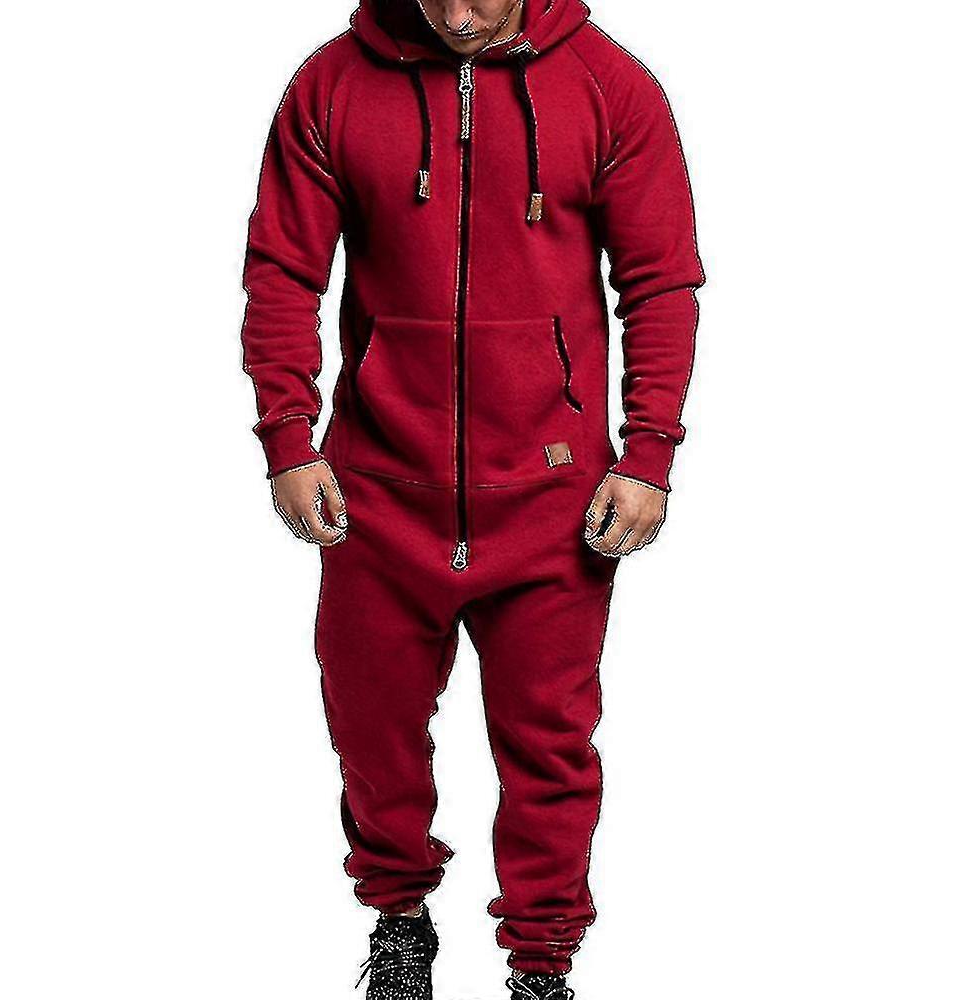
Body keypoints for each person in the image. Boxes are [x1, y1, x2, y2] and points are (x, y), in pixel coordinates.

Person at [240, 1, 704, 997]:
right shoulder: (330, 86)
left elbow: (661, 281)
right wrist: (287, 437)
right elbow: (282, 271)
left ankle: (540, 964)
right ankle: (399, 921)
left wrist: (647, 455)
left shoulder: (611, 88)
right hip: (375, 492)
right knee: (371, 733)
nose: (457, 14)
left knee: (550, 747)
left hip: (552, 498)